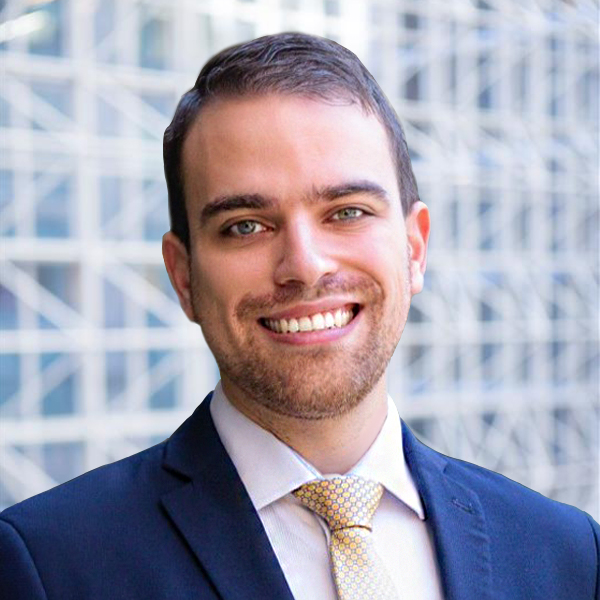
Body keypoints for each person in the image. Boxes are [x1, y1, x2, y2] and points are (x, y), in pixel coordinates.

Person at [0, 32, 598, 600]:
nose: (305, 267)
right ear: (184, 277)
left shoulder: (568, 553)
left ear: (414, 249)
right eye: (245, 226)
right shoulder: (49, 565)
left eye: (347, 212)